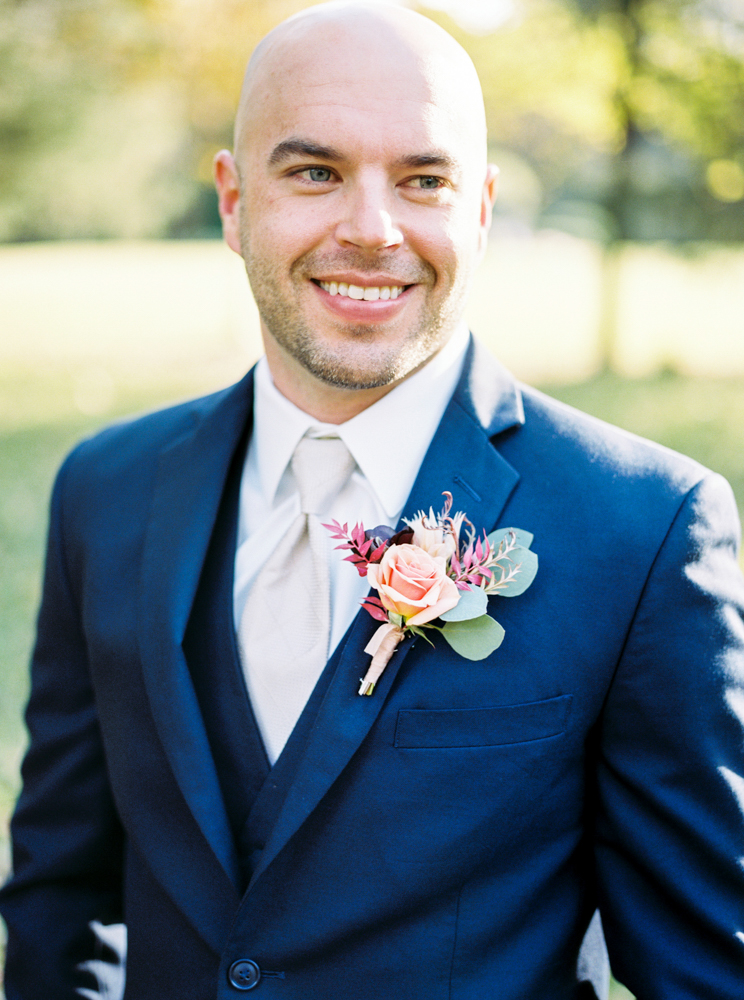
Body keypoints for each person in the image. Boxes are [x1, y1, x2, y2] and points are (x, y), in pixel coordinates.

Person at [1, 2, 743, 998]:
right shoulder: (105, 490)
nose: (370, 228)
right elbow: (62, 892)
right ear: (232, 200)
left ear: (478, 210)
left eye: (422, 180)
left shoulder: (645, 528)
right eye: (314, 171)